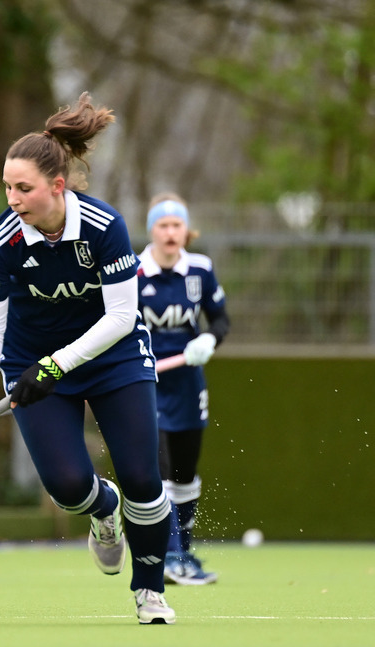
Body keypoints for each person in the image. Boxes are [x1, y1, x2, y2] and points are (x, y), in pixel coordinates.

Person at [0, 92, 175, 625]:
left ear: (57, 186)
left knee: (144, 479)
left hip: (112, 358)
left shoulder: (104, 227)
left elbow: (122, 317)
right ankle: (103, 510)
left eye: (22, 188)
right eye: (6, 186)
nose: (11, 198)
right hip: (31, 363)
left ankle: (150, 591)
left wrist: (57, 366)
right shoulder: (1, 242)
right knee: (70, 488)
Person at [138, 193, 229, 585]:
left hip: (188, 383)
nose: (170, 233)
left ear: (186, 231)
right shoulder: (134, 273)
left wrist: (209, 341)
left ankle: (184, 552)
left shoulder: (201, 271)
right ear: (152, 231)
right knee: (159, 472)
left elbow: (221, 320)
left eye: (177, 225)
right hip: (145, 381)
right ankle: (169, 554)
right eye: (163, 225)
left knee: (185, 473)